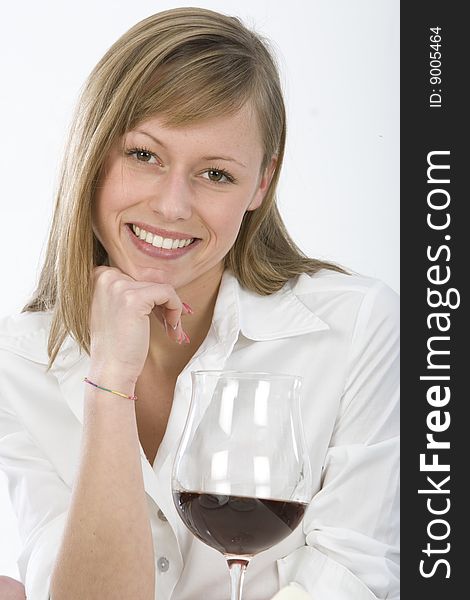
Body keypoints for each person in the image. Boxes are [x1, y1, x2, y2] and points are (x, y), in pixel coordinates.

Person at [0, 6, 399, 600]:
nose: (172, 205)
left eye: (215, 174)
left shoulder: (358, 327)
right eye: (144, 155)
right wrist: (110, 380)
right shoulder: (17, 362)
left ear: (261, 184)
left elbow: (353, 577)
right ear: (93, 153)